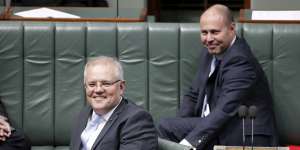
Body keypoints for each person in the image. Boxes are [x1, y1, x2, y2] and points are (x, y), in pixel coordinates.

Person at [157, 4, 278, 150]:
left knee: (165, 128)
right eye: (204, 32)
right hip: (218, 125)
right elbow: (193, 95)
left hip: (242, 134)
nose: (208, 39)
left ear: (232, 29)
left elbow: (224, 110)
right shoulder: (210, 52)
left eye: (214, 32)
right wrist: (179, 127)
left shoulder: (240, 60)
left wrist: (188, 143)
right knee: (167, 127)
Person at [70, 56, 158, 150]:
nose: (98, 89)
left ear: (121, 87)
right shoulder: (83, 114)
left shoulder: (137, 121)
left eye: (106, 83)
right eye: (92, 84)